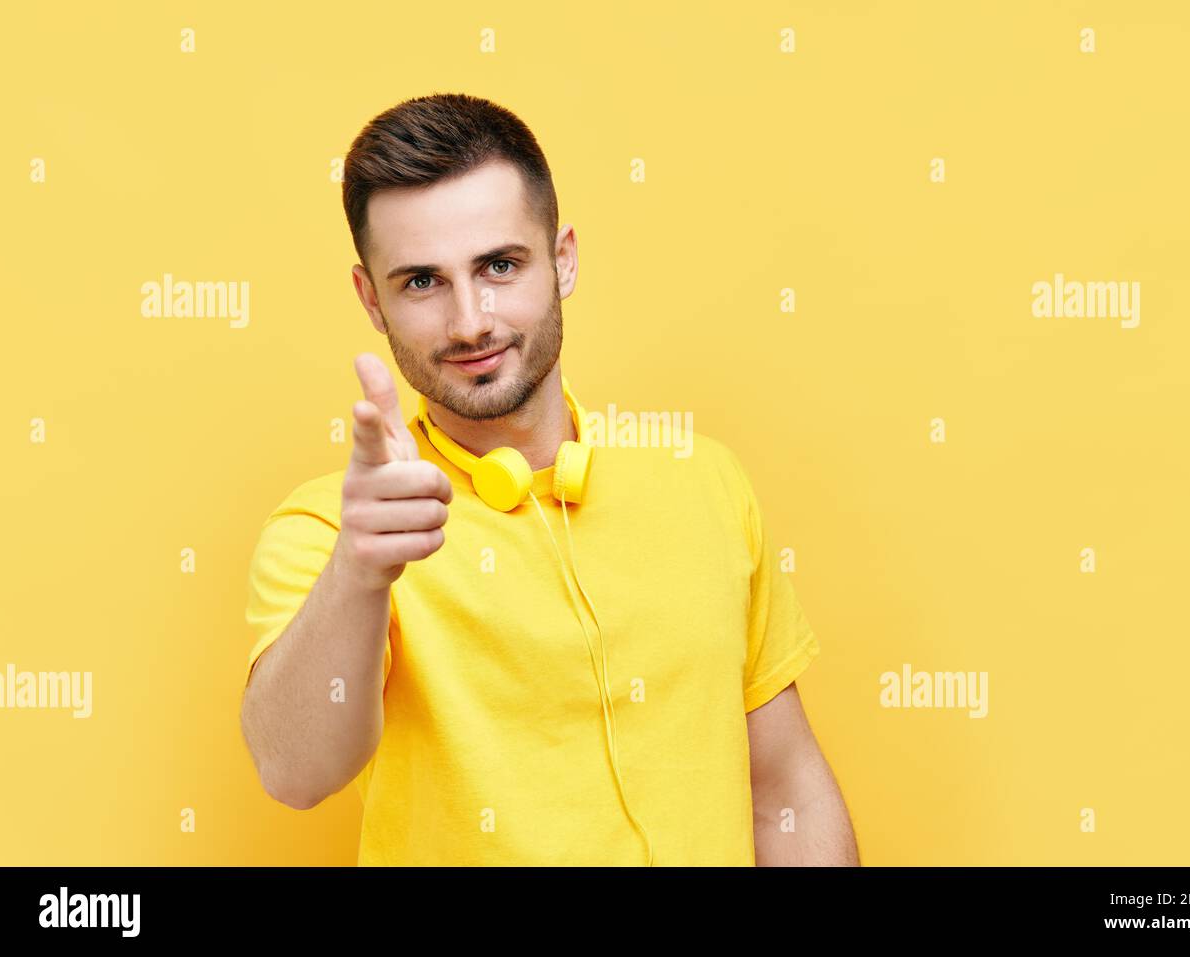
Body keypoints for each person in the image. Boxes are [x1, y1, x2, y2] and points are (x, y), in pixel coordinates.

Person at [239, 92, 859, 866]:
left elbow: (786, 788)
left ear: (563, 258)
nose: (471, 320)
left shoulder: (705, 481)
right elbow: (294, 771)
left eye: (500, 265)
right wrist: (360, 575)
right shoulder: (333, 533)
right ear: (372, 298)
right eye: (422, 282)